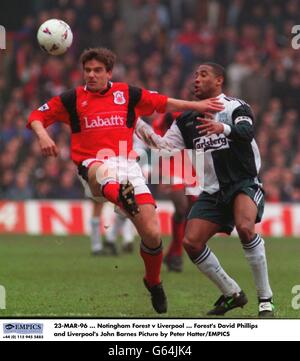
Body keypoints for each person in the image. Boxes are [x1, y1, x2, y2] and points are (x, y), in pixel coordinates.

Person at [27, 47, 223, 314]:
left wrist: (197, 105)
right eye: (87, 70)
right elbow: (36, 116)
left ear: (109, 72)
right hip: (92, 165)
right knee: (101, 172)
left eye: (97, 70)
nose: (92, 75)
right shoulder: (73, 99)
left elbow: (163, 102)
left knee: (152, 234)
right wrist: (42, 135)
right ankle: (122, 198)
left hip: (128, 166)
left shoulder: (127, 94)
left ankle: (153, 282)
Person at [140, 62, 274, 317]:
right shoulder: (186, 120)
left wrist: (222, 128)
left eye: (203, 75)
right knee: (191, 242)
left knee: (246, 228)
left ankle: (265, 298)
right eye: (195, 75)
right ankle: (232, 293)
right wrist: (135, 123)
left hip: (244, 181)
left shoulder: (236, 106)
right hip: (213, 190)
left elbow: (246, 131)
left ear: (219, 81)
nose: (197, 79)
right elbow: (162, 147)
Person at [152, 112, 198, 272]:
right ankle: (177, 254)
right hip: (172, 166)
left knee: (190, 212)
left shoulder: (202, 112)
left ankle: (172, 253)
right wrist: (161, 175)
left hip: (193, 165)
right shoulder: (165, 118)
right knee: (181, 208)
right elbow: (158, 145)